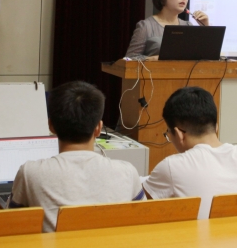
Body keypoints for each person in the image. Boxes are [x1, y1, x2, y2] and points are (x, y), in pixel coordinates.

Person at [10, 81, 144, 232]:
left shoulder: (30, 173)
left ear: (51, 126)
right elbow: (143, 225)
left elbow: (11, 225)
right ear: (98, 128)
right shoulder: (127, 172)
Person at [142, 87, 237, 219]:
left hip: (203, 233)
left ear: (179, 134)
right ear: (216, 127)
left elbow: (139, 204)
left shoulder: (171, 167)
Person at [125, 0, 210, 60]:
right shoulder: (146, 26)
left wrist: (206, 27)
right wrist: (153, 59)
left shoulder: (188, 26)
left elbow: (204, 57)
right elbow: (129, 59)